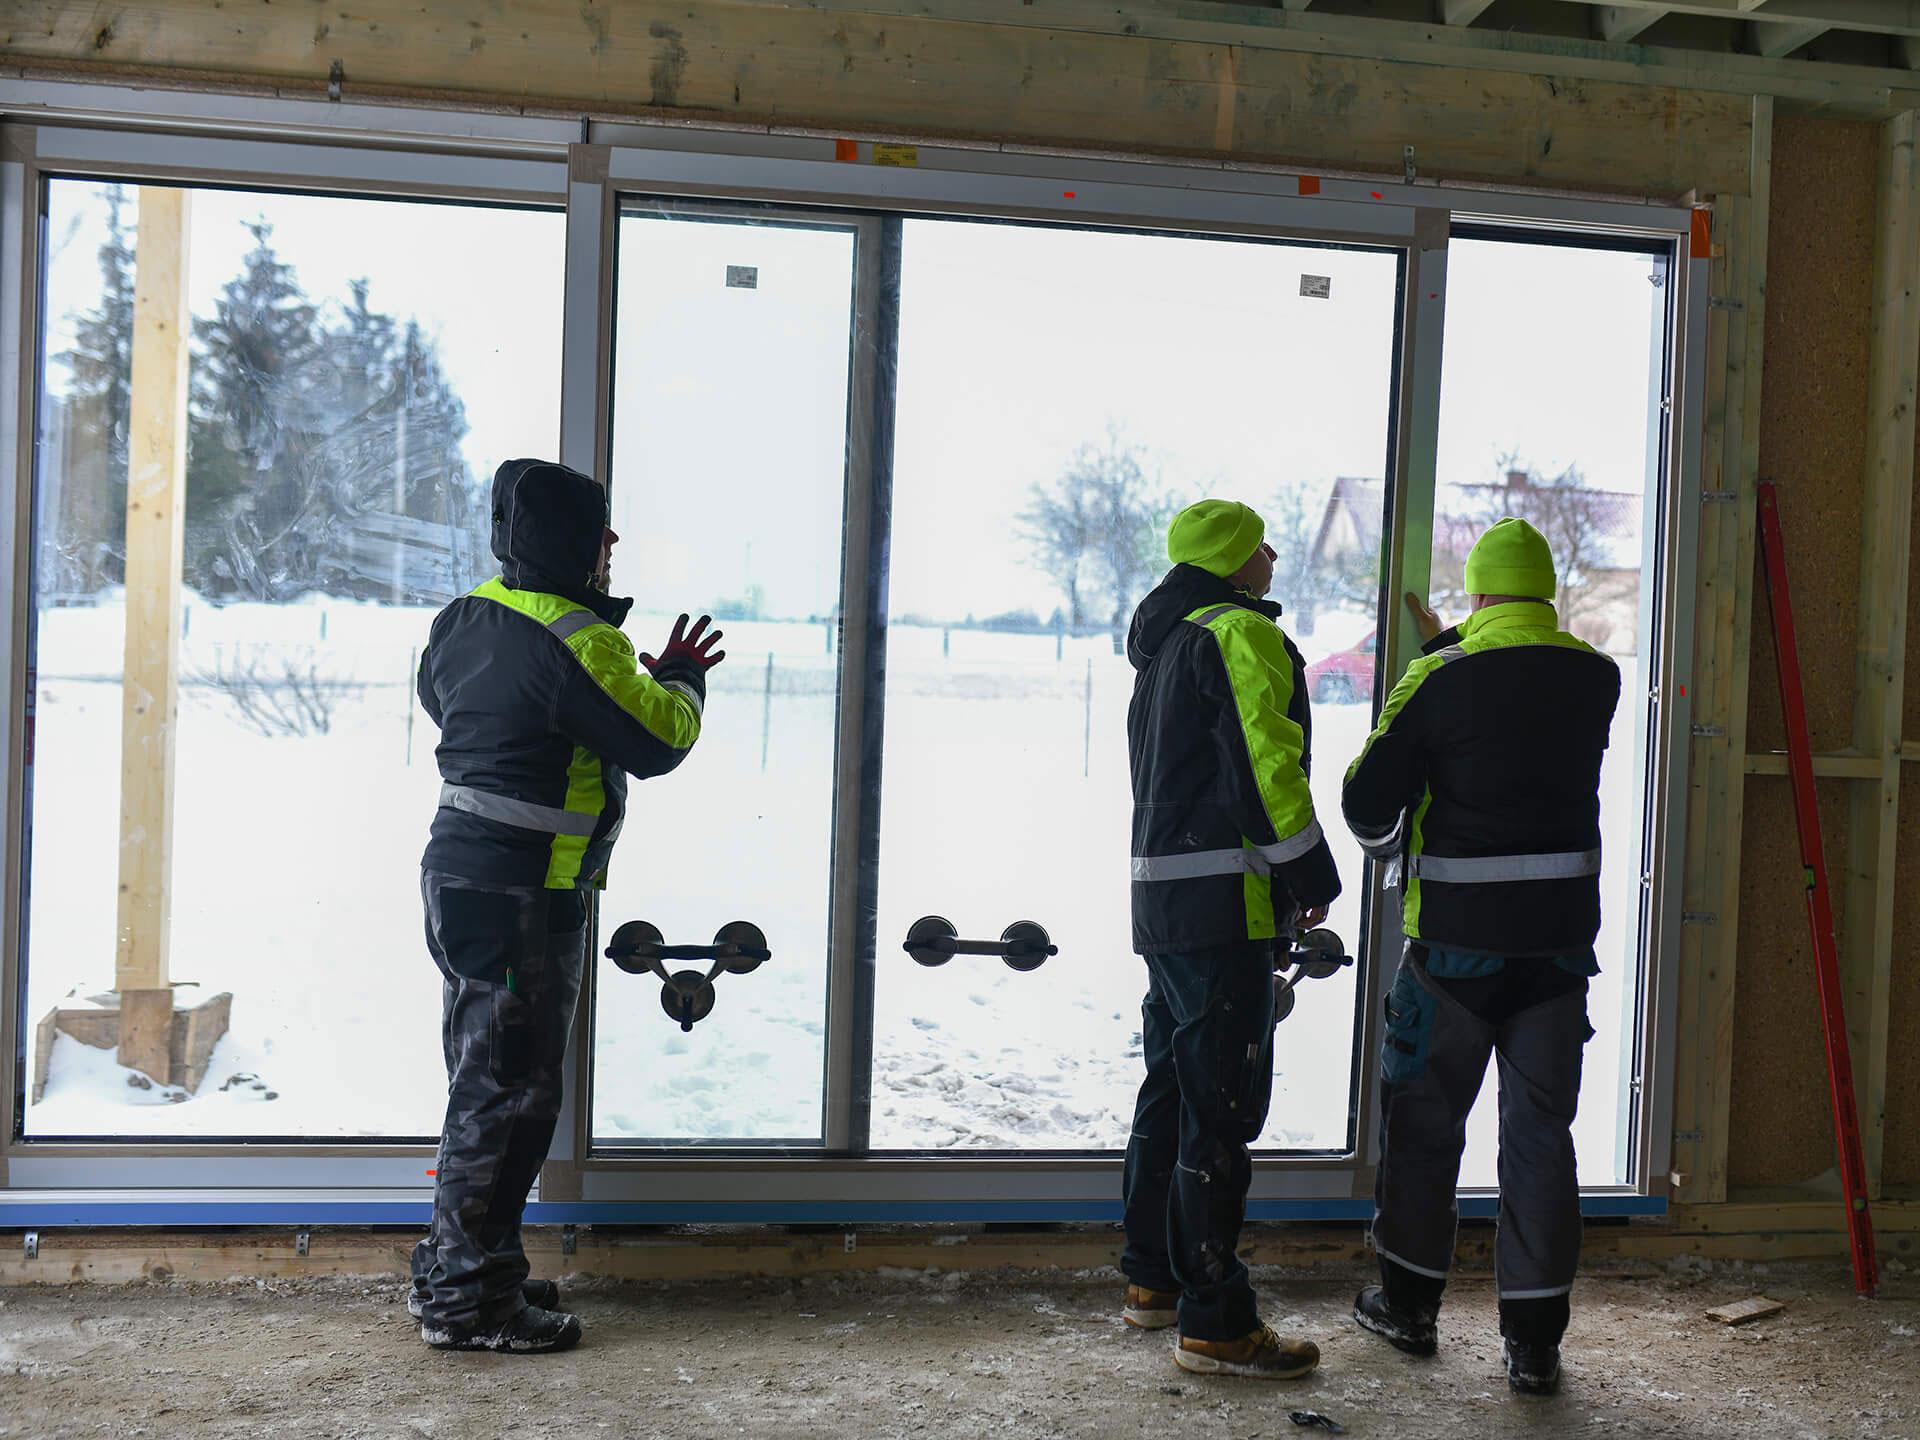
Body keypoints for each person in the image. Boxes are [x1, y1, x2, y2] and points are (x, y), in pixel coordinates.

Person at [410, 458, 725, 1353]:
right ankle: (469, 1304)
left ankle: (467, 1265)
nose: (612, 545)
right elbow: (656, 738)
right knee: (508, 1095)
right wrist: (682, 679)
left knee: (481, 1082)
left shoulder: (467, 614)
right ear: (567, 540)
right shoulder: (578, 640)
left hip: (459, 876)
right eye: (600, 530)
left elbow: (439, 699)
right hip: (524, 895)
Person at [1340, 517, 1620, 1395]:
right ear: (1546, 590)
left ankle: (1409, 1310)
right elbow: (1525, 704)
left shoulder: (1437, 679)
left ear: (1477, 594)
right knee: (1541, 1139)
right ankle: (1534, 1345)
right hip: (1557, 955)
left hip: (1456, 954)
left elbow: (1365, 805)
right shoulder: (1597, 677)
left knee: (1425, 1132)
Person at [1119, 498, 1342, 1380]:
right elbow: (1265, 762)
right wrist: (1309, 876)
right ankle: (1216, 1322)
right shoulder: (1235, 634)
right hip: (1225, 905)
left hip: (1165, 904)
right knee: (1221, 1112)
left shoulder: (1167, 643)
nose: (1275, 554)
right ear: (1232, 560)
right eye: (1260, 544)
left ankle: (1153, 1283)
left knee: (1170, 1091)